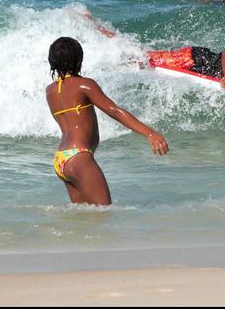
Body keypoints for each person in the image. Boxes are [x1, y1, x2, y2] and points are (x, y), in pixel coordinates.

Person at [46, 37, 169, 205]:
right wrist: (149, 133)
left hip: (61, 159)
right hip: (79, 158)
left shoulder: (51, 91)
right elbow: (114, 110)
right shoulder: (84, 85)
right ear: (79, 59)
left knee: (82, 220)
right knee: (104, 214)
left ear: (52, 61)